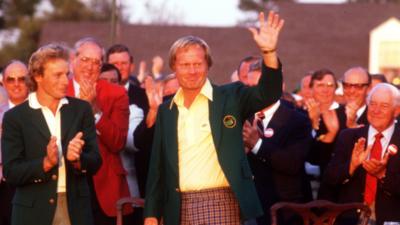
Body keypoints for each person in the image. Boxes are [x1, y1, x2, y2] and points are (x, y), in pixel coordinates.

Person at [144, 11, 284, 225]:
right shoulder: (167, 110)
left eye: (198, 64)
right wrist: (152, 215)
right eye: (185, 65)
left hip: (221, 202)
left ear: (208, 65)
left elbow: (269, 92)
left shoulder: (231, 97)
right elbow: (157, 168)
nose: (192, 71)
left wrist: (269, 52)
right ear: (174, 67)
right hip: (176, 206)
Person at [1, 44, 102, 225]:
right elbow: (11, 172)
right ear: (38, 76)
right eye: (58, 75)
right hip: (32, 213)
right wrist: (46, 163)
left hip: (76, 210)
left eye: (67, 74)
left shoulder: (81, 109)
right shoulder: (15, 117)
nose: (65, 81)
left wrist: (77, 160)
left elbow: (95, 161)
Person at [67, 38, 133, 225]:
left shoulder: (116, 93)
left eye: (96, 62)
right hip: (66, 184)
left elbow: (118, 142)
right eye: (85, 60)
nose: (90, 66)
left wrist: (95, 109)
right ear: (74, 59)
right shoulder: (59, 89)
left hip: (104, 186)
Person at [241, 60, 312, 225]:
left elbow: (292, 163)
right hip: (250, 209)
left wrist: (257, 145)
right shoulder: (241, 117)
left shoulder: (297, 120)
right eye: (249, 87)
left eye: (258, 86)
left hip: (285, 211)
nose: (253, 92)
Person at [322, 83, 400, 225]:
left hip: (391, 218)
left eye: (384, 106)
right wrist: (350, 166)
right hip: (350, 218)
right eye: (373, 104)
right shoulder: (348, 137)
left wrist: (383, 175)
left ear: (397, 111)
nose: (376, 110)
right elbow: (329, 179)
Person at [0, 60, 29, 225]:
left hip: (31, 187)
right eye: (11, 79)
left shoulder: (42, 112)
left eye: (22, 79)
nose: (16, 84)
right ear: (3, 83)